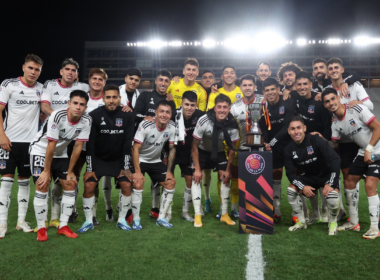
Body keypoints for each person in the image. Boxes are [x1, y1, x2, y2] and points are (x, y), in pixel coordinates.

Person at [30, 90, 91, 241]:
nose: (78, 107)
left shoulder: (86, 121)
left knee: (70, 183)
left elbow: (77, 146)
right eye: (75, 103)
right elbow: (51, 144)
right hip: (41, 150)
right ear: (69, 104)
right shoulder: (58, 115)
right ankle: (42, 228)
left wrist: (70, 171)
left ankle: (63, 226)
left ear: (85, 107)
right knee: (42, 184)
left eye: (82, 105)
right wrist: (46, 170)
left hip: (61, 153)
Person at [323, 88, 380, 239]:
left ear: (338, 99)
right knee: (349, 181)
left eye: (332, 99)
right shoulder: (335, 123)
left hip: (377, 148)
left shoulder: (356, 108)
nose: (331, 103)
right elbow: (334, 145)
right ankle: (354, 223)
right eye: (327, 101)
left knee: (369, 185)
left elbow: (378, 128)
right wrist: (319, 141)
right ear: (325, 105)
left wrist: (369, 149)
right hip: (364, 151)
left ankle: (375, 227)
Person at [77, 84, 135, 232]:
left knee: (127, 185)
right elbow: (91, 144)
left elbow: (128, 142)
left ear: (119, 98)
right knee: (89, 185)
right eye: (108, 97)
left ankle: (122, 219)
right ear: (103, 98)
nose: (111, 100)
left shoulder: (128, 115)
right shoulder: (94, 115)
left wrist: (126, 167)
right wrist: (90, 168)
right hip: (100, 159)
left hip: (118, 159)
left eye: (114, 97)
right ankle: (89, 220)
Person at [41, 58, 90, 227]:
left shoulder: (83, 87)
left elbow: (100, 92)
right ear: (61, 71)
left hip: (74, 136)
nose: (70, 72)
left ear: (77, 74)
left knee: (71, 176)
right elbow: (44, 106)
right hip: (54, 135)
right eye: (67, 69)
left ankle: (70, 210)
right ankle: (53, 215)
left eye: (74, 70)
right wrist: (64, 119)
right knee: (49, 178)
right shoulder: (50, 84)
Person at [324, 57, 374, 220]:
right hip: (345, 141)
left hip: (364, 139)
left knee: (367, 179)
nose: (333, 70)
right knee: (348, 177)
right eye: (330, 68)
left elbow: (370, 107)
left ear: (342, 69)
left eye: (336, 67)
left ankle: (360, 215)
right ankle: (349, 215)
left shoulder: (354, 85)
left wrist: (356, 102)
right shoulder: (327, 90)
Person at [0, 54, 44, 239]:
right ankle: (2, 223)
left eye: (37, 69)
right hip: (8, 141)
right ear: (23, 67)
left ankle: (21, 221)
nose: (34, 72)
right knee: (6, 182)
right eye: (31, 68)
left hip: (30, 144)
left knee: (25, 182)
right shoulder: (9, 84)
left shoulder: (41, 88)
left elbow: (43, 111)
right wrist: (1, 135)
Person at [287, 71, 333, 223]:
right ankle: (315, 213)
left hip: (320, 144)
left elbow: (327, 126)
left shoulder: (319, 101)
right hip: (304, 145)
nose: (302, 87)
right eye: (299, 84)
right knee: (310, 177)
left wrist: (324, 139)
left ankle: (326, 210)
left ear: (310, 85)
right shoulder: (293, 97)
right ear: (295, 86)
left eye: (305, 84)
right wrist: (286, 92)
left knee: (323, 176)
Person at [284, 116, 341, 235]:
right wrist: (302, 186)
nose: (296, 131)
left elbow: (335, 159)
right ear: (289, 131)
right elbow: (290, 173)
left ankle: (333, 222)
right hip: (310, 176)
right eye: (293, 129)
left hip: (326, 175)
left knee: (332, 194)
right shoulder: (288, 149)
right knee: (291, 189)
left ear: (304, 128)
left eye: (299, 128)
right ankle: (301, 221)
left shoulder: (316, 140)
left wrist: (332, 183)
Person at [192, 94, 240, 227]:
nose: (222, 110)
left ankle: (224, 214)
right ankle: (197, 214)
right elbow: (194, 146)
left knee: (225, 177)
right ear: (214, 108)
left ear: (229, 109)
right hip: (201, 151)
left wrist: (228, 170)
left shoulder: (232, 123)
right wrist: (196, 168)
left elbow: (232, 149)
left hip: (218, 152)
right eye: (219, 107)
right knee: (195, 177)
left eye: (225, 107)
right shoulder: (203, 120)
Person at [134, 69, 176, 219]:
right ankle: (128, 212)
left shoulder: (170, 101)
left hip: (159, 147)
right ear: (156, 81)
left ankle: (155, 209)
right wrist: (145, 117)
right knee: (134, 181)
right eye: (161, 80)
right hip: (141, 142)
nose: (163, 83)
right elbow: (135, 114)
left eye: (166, 81)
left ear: (169, 83)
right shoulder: (146, 95)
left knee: (159, 180)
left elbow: (172, 123)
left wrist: (165, 153)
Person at [258, 78, 297, 222]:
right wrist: (265, 141)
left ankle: (298, 212)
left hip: (290, 144)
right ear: (263, 92)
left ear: (278, 89)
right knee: (276, 174)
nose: (270, 92)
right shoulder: (263, 107)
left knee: (295, 175)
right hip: (273, 147)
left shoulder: (289, 102)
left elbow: (288, 125)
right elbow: (263, 127)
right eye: (267, 90)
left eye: (272, 89)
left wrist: (271, 143)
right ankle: (277, 210)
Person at [206, 65, 243, 215]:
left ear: (235, 76)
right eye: (226, 73)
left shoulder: (241, 91)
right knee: (222, 173)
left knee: (235, 172)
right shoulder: (215, 93)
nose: (229, 75)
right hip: (220, 138)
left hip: (238, 138)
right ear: (221, 77)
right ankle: (223, 207)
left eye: (232, 72)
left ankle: (234, 207)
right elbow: (210, 112)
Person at [75, 68, 108, 226]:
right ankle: (71, 209)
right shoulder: (81, 99)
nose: (97, 81)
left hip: (98, 148)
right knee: (72, 178)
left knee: (93, 181)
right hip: (78, 145)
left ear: (104, 82)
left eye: (100, 79)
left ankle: (93, 214)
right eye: (94, 78)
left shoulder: (107, 100)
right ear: (89, 80)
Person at [230, 74, 264, 217]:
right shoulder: (235, 107)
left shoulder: (264, 100)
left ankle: (260, 208)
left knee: (260, 180)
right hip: (242, 148)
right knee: (239, 179)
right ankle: (235, 207)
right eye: (245, 85)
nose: (248, 88)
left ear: (255, 87)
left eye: (250, 85)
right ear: (241, 87)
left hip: (261, 149)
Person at [172, 91, 205, 222]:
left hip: (189, 152)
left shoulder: (200, 115)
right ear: (181, 103)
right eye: (186, 104)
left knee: (190, 181)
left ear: (196, 105)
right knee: (167, 181)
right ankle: (165, 212)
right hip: (172, 152)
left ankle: (185, 212)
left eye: (192, 105)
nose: (189, 108)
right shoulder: (173, 114)